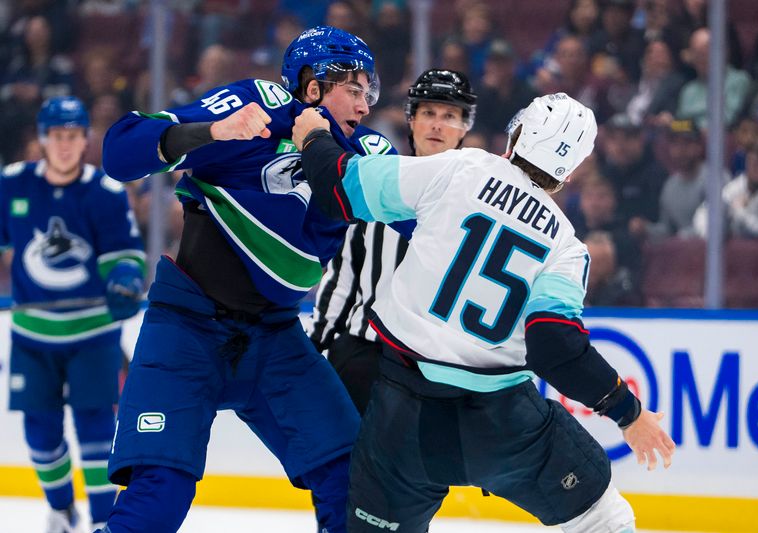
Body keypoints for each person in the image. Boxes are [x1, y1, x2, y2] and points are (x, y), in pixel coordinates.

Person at [292, 92, 675, 533]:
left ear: (518, 135)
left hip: (402, 416)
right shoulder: (567, 247)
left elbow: (340, 186)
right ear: (569, 172)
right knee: (604, 519)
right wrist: (628, 413)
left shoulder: (463, 167)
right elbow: (556, 347)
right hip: (504, 424)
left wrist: (315, 136)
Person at [97, 26, 395, 533]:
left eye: (371, 92)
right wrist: (212, 132)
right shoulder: (253, 104)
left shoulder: (368, 152)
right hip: (185, 332)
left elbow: (424, 216)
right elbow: (120, 152)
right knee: (157, 498)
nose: (366, 106)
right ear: (313, 85)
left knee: (353, 484)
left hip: (276, 340)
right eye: (355, 88)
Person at [1, 96, 145, 532]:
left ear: (84, 140)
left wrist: (123, 279)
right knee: (41, 437)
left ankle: (104, 522)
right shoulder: (12, 184)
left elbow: (124, 255)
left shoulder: (104, 192)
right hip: (32, 335)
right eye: (57, 136)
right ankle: (61, 509)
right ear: (42, 139)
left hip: (92, 335)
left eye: (73, 136)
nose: (65, 145)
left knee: (98, 433)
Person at [310, 68, 477, 415]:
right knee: (341, 465)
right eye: (428, 113)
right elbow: (344, 277)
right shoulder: (379, 181)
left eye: (449, 116)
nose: (436, 124)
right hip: (362, 358)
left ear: (464, 128)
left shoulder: (480, 204)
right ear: (411, 120)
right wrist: (316, 348)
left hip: (437, 371)